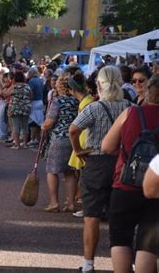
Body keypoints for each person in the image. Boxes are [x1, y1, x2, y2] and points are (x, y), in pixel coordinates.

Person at [69, 66, 132, 273]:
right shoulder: (130, 107)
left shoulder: (94, 108)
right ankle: (126, 263)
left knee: (92, 216)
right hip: (121, 163)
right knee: (121, 216)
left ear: (98, 84)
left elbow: (73, 129)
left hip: (96, 162)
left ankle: (88, 264)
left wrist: (78, 150)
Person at [101, 74, 159, 273]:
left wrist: (128, 157)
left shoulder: (131, 113)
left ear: (147, 92)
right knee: (148, 242)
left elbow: (107, 146)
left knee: (120, 238)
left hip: (125, 183)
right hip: (157, 189)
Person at [41, 72, 79, 212]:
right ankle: (70, 203)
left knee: (52, 170)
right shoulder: (77, 101)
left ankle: (54, 202)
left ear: (60, 86)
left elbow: (49, 122)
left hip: (59, 138)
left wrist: (43, 126)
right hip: (73, 139)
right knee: (70, 172)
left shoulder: (57, 102)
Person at [67, 72, 95, 218]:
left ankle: (87, 207)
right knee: (82, 176)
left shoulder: (87, 102)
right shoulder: (87, 100)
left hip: (84, 141)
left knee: (85, 177)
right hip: (83, 139)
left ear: (72, 90)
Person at [7, 72, 31, 149]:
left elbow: (5, 94)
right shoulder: (27, 86)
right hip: (25, 108)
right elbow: (31, 95)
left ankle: (17, 145)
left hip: (15, 108)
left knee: (16, 126)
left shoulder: (14, 86)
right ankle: (25, 144)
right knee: (25, 126)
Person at [27, 67, 44, 147]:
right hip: (40, 101)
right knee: (39, 122)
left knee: (33, 122)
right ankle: (38, 139)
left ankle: (33, 139)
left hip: (34, 102)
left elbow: (30, 93)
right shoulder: (40, 80)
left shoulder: (31, 81)